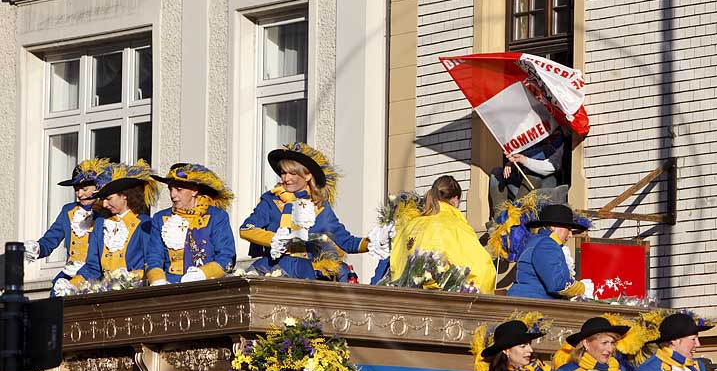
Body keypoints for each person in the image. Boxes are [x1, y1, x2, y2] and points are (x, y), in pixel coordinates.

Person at [240, 142, 369, 281]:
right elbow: (246, 229)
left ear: (308, 176)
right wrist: (274, 239)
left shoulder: (320, 206)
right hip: (274, 267)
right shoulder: (270, 201)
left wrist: (374, 242)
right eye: (283, 173)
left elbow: (347, 242)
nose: (286, 179)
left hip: (308, 272)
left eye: (293, 173)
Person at [57, 161, 158, 296]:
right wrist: (72, 285)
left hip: (135, 296)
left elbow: (152, 263)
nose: (104, 204)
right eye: (103, 199)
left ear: (125, 196)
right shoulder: (100, 224)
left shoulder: (144, 224)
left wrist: (130, 277)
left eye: (109, 198)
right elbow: (93, 267)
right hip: (105, 294)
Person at [386, 175, 496, 293]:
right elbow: (482, 269)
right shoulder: (455, 225)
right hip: (439, 303)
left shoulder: (410, 225)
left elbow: (395, 266)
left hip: (403, 300)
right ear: (455, 199)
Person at [25, 158, 110, 288]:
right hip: (70, 273)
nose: (79, 194)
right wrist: (37, 247)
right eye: (76, 189)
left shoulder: (107, 213)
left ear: (98, 187)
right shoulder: (68, 211)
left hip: (97, 277)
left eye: (85, 189)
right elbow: (51, 239)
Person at [146, 163, 237, 285]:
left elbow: (226, 256)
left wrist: (203, 274)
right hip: (170, 288)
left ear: (194, 191)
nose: (173, 195)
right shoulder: (160, 218)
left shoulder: (217, 217)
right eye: (170, 189)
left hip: (208, 287)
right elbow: (154, 257)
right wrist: (158, 280)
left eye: (179, 189)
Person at [506, 204, 592, 299]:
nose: (570, 235)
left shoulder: (538, 241)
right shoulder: (547, 244)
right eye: (568, 229)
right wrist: (583, 288)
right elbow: (558, 284)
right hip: (533, 305)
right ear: (553, 226)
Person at [489, 130, 566, 213]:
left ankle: (516, 215)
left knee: (533, 173)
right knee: (496, 172)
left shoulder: (560, 140)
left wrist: (524, 160)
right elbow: (519, 157)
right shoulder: (529, 134)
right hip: (521, 183)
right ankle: (500, 215)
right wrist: (512, 163)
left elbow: (552, 167)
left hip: (542, 186)